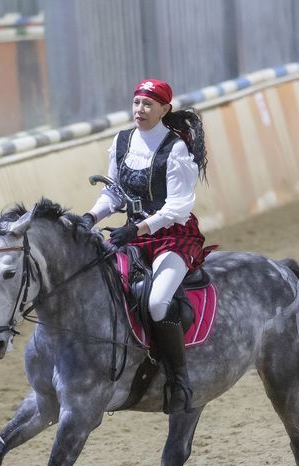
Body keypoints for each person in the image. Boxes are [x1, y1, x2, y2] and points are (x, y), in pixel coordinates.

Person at [82, 78, 210, 415]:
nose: (140, 109)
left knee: (156, 302)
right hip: (133, 236)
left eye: (148, 104)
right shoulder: (122, 141)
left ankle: (179, 379)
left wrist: (137, 228)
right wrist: (90, 217)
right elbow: (114, 193)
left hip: (172, 236)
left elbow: (177, 207)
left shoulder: (175, 149)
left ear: (165, 109)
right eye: (137, 102)